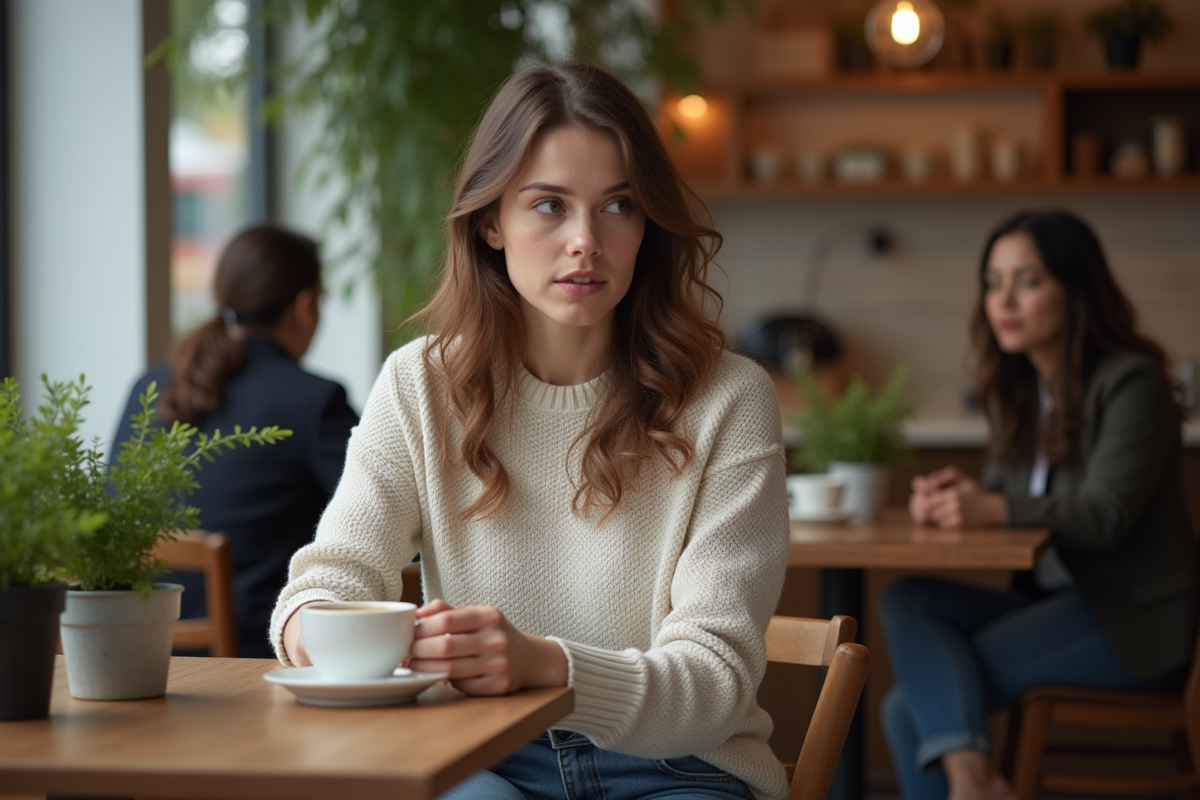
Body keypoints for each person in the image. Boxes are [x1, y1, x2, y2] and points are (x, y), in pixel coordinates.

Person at [269, 62, 791, 800]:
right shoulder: (419, 385)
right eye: (549, 205)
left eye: (618, 206)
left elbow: (715, 684)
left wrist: (545, 664)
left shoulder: (730, 398)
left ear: (647, 225)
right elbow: (324, 583)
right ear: (491, 222)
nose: (586, 241)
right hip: (481, 755)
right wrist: (325, 631)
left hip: (679, 769)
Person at [879, 210, 1200, 800]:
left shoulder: (1133, 384)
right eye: (993, 282)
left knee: (908, 710)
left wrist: (993, 509)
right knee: (906, 598)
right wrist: (954, 501)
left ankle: (973, 782)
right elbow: (1002, 503)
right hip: (1052, 604)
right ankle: (974, 779)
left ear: (1075, 291)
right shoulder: (1021, 392)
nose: (1004, 300)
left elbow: (1104, 516)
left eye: (1027, 281)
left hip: (1129, 621)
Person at [111, 224, 358, 658]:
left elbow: (111, 514)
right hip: (260, 661)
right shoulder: (315, 401)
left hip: (140, 654)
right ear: (304, 306)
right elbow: (379, 519)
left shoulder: (148, 387)